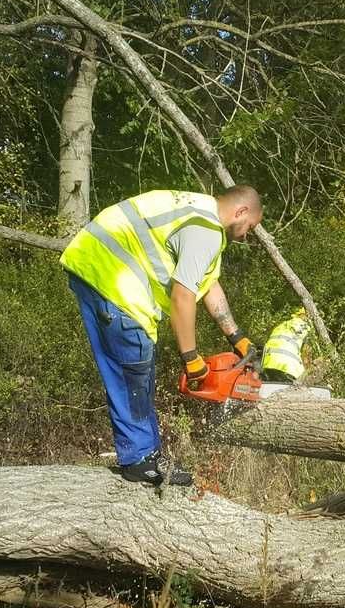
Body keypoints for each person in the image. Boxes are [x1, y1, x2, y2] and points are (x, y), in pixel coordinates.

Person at [60, 186, 263, 485]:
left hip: (93, 264)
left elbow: (208, 286)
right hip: (113, 277)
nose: (247, 235)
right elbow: (183, 296)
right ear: (241, 211)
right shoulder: (205, 229)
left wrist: (238, 338)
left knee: (135, 372)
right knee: (134, 363)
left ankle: (148, 454)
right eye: (251, 227)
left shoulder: (201, 214)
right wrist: (191, 360)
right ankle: (139, 459)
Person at [260, 307, 312, 382]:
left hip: (268, 366)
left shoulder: (282, 325)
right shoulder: (307, 329)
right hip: (289, 369)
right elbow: (306, 359)